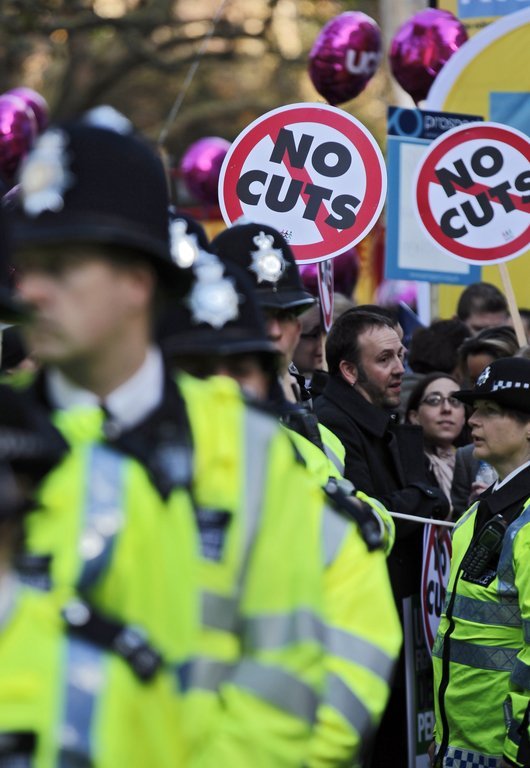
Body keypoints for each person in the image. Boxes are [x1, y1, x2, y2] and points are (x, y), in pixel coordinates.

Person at [7, 118, 333, 766]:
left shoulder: (250, 449)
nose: (30, 290)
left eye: (62, 266)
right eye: (27, 265)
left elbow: (283, 685)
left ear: (139, 280)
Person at [159, 231, 402, 767]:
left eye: (288, 315)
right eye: (258, 311)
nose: (273, 329)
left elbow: (360, 560)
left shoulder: (316, 440)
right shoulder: (125, 447)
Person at [313, 308, 449, 768]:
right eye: (385, 359)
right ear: (349, 370)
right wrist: (422, 497)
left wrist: (421, 497)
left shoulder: (383, 419)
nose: (399, 369)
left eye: (401, 355)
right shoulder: (330, 423)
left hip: (401, 612)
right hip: (362, 618)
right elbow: (370, 514)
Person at [431, 357, 530, 768]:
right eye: (476, 409)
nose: (472, 420)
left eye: (490, 410)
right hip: (458, 745)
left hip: (503, 753)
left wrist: (519, 751)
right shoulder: (477, 512)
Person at [405, 373, 468, 512]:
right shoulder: (401, 462)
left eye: (455, 401)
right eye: (434, 400)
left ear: (464, 417)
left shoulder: (479, 462)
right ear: (414, 416)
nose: (446, 409)